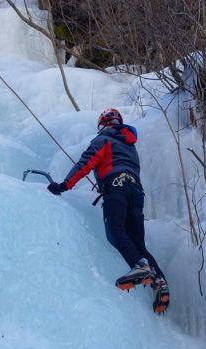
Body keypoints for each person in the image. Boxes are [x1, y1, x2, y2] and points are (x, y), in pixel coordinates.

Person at [47, 108, 169, 314]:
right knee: (138, 243)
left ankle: (139, 266)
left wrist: (64, 185)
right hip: (136, 193)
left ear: (103, 124)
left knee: (115, 230)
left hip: (116, 188)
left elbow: (86, 163)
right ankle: (160, 281)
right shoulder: (130, 145)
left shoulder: (104, 139)